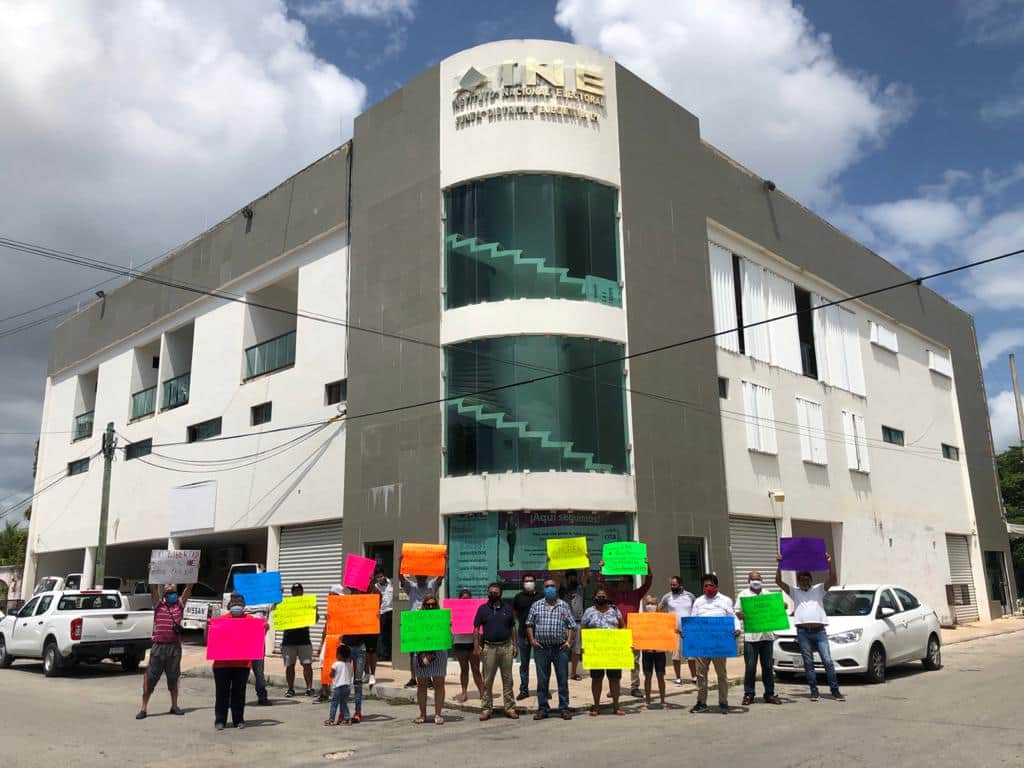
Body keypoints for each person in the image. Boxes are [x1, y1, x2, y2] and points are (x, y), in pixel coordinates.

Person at [776, 553, 844, 702]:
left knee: (827, 660)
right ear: (798, 581)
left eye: (807, 578)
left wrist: (829, 563)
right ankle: (814, 691)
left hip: (819, 631)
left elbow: (832, 579)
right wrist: (780, 564)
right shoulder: (794, 591)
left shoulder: (819, 589)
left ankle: (835, 690)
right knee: (808, 662)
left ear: (811, 580)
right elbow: (778, 581)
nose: (804, 581)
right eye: (801, 579)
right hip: (803, 632)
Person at [136, 582, 193, 720]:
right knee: (150, 678)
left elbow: (188, 589)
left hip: (174, 648)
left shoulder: (179, 605)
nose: (170, 588)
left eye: (173, 588)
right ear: (164, 595)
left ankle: (174, 706)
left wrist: (191, 576)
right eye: (168, 589)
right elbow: (153, 589)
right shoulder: (158, 605)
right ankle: (143, 708)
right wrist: (153, 573)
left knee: (173, 678)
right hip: (159, 647)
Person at [596, 559, 652, 697]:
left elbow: (648, 582)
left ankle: (635, 687)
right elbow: (601, 582)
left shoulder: (636, 594)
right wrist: (601, 568)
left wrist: (647, 566)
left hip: (634, 631)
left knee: (634, 661)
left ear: (629, 584)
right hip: (618, 631)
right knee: (617, 659)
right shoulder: (614, 594)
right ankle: (615, 687)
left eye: (623, 582)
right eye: (620, 582)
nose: (621, 583)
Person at [687, 573, 741, 714]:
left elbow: (732, 617)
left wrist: (737, 628)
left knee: (721, 674)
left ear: (716, 586)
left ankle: (723, 702)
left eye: (711, 585)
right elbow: (693, 620)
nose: (708, 588)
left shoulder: (725, 600)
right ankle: (701, 702)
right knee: (701, 675)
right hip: (702, 643)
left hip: (719, 643)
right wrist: (687, 632)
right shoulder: (698, 601)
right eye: (705, 586)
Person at [525, 577, 576, 721]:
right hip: (541, 649)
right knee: (542, 681)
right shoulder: (536, 605)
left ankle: (564, 708)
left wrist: (568, 642)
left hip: (560, 649)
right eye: (547, 586)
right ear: (543, 589)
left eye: (553, 586)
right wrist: (532, 640)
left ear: (557, 588)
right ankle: (542, 709)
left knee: (562, 680)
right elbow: (529, 624)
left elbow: (571, 625)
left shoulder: (564, 605)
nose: (550, 588)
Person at [735, 570, 789, 705]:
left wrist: (782, 607)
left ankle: (769, 694)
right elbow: (736, 611)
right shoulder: (743, 595)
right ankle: (749, 694)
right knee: (750, 667)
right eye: (753, 579)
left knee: (768, 667)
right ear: (748, 581)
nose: (756, 581)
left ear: (761, 580)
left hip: (767, 637)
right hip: (751, 638)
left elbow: (779, 608)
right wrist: (740, 614)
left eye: (758, 578)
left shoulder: (768, 594)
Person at [473, 582, 519, 721]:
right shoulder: (482, 609)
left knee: (508, 680)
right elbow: (476, 628)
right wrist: (476, 645)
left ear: (501, 593)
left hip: (506, 647)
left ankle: (510, 708)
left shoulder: (508, 608)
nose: (493, 594)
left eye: (496, 592)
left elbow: (512, 628)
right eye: (490, 592)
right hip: (489, 648)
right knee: (487, 681)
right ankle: (486, 709)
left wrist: (515, 645)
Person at [579, 587, 625, 716]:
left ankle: (616, 706)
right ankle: (597, 706)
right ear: (594, 597)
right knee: (597, 678)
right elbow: (583, 628)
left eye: (603, 596)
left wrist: (624, 641)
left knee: (615, 679)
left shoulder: (615, 610)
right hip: (595, 650)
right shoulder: (589, 611)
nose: (601, 598)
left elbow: (622, 626)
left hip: (613, 650)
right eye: (599, 596)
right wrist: (584, 646)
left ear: (607, 597)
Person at [213, 593, 255, 730]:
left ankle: (238, 720)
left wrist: (264, 630)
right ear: (229, 605)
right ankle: (220, 720)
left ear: (244, 605)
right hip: (221, 664)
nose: (237, 604)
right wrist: (208, 628)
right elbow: (210, 640)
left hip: (242, 664)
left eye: (240, 602)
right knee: (221, 693)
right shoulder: (220, 620)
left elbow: (257, 640)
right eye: (234, 602)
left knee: (239, 693)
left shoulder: (251, 620)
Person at [401, 573, 443, 688]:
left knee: (427, 651)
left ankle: (428, 678)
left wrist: (444, 561)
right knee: (413, 653)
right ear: (415, 577)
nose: (420, 578)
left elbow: (440, 576)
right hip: (413, 624)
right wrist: (401, 563)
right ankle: (413, 678)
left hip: (428, 624)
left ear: (426, 577)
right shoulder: (411, 587)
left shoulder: (431, 585)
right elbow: (400, 577)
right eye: (418, 576)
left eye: (423, 576)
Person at [413, 595, 448, 725]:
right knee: (421, 685)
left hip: (439, 654)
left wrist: (448, 626)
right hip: (421, 654)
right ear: (424, 605)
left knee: (439, 684)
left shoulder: (442, 618)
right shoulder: (416, 619)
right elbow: (411, 635)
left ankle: (438, 714)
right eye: (428, 604)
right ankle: (422, 714)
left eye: (433, 604)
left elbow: (448, 636)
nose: (430, 606)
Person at [659, 575, 697, 686]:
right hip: (674, 630)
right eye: (671, 585)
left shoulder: (690, 596)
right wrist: (666, 622)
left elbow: (696, 609)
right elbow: (659, 609)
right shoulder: (667, 597)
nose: (672, 586)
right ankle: (678, 678)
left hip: (688, 630)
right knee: (675, 656)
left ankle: (694, 677)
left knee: (691, 656)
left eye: (674, 585)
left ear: (680, 585)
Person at [281, 583, 316, 698]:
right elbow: (278, 615)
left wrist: (314, 611)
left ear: (302, 592)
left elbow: (315, 620)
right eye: (295, 590)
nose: (297, 592)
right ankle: (290, 689)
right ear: (292, 593)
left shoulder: (307, 604)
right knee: (289, 666)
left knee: (307, 665)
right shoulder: (285, 604)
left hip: (304, 640)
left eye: (299, 590)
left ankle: (309, 688)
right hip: (288, 641)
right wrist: (278, 595)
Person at [512, 574, 542, 701]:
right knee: (524, 664)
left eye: (531, 580)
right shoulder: (518, 597)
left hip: (540, 635)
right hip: (523, 634)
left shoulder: (541, 596)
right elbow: (515, 615)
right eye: (526, 581)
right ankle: (524, 690)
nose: (529, 582)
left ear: (535, 582)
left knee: (541, 664)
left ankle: (543, 689)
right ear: (523, 583)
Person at [452, 588, 484, 703]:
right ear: (459, 599)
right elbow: (448, 625)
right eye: (463, 598)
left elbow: (480, 627)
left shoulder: (476, 610)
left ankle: (482, 692)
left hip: (473, 643)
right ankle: (464, 692)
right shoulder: (454, 610)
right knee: (464, 669)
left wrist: (479, 644)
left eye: (467, 598)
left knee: (476, 669)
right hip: (460, 643)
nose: (465, 600)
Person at [558, 566, 590, 680]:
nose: (572, 579)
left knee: (576, 650)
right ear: (566, 579)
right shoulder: (561, 590)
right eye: (570, 577)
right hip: (564, 624)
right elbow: (555, 578)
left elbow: (586, 575)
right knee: (563, 649)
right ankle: (562, 673)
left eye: (574, 577)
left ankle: (573, 673)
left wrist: (586, 563)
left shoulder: (580, 589)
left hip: (578, 623)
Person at [639, 594, 667, 709]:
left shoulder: (663, 618)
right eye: (648, 604)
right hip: (647, 651)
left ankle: (662, 700)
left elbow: (667, 632)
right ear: (645, 606)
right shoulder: (641, 619)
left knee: (660, 675)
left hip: (660, 651)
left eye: (653, 604)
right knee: (648, 676)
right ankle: (648, 700)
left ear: (657, 605)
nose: (650, 606)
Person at [244, 602, 272, 706]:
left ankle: (262, 697)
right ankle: (234, 698)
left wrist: (277, 592)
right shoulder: (241, 602)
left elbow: (276, 603)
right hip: (242, 644)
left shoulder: (265, 603)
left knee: (259, 673)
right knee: (240, 673)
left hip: (257, 642)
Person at [325, 643, 354, 726]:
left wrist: (330, 674)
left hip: (338, 687)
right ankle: (347, 718)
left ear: (340, 655)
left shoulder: (336, 664)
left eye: (337, 654)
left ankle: (331, 719)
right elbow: (350, 675)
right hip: (347, 687)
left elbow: (332, 674)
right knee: (344, 703)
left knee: (334, 703)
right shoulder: (349, 665)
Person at [374, 570, 394, 662]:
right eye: (378, 577)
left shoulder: (392, 583)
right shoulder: (376, 587)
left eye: (381, 576)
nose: (380, 579)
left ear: (385, 576)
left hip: (392, 611)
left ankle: (391, 654)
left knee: (391, 634)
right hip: (382, 612)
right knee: (382, 635)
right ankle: (383, 654)